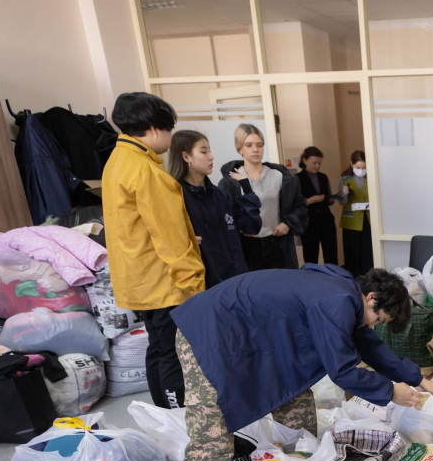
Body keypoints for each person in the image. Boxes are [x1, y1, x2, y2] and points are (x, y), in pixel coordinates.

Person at [171, 266, 433, 461]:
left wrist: (420, 380)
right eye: (376, 319)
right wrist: (392, 392)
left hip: (256, 340)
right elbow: (341, 369)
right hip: (207, 336)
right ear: (371, 297)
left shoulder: (348, 298)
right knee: (212, 445)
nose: (371, 327)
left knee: (298, 413)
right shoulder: (336, 300)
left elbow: (371, 347)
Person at [102, 92, 204, 409]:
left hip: (141, 278)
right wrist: (193, 284)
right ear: (152, 127)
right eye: (169, 129)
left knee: (158, 347)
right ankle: (178, 416)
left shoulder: (118, 161)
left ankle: (164, 412)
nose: (170, 138)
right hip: (165, 282)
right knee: (174, 352)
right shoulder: (147, 171)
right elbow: (168, 236)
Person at [168, 130, 259, 287]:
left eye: (210, 150)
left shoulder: (219, 194)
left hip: (236, 279)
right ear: (186, 156)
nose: (211, 156)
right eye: (204, 151)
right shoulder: (175, 197)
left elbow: (250, 227)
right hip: (204, 286)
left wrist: (247, 190)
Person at [219, 123, 307, 271]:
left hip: (277, 244)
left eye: (259, 145)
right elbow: (225, 217)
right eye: (249, 145)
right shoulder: (230, 182)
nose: (255, 149)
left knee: (283, 287)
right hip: (247, 248)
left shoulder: (280, 176)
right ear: (239, 148)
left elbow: (300, 205)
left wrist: (288, 223)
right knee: (253, 290)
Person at [296, 146, 339, 266]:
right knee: (311, 256)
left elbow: (329, 201)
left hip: (326, 220)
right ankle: (312, 281)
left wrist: (334, 197)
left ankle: (333, 279)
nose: (317, 166)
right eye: (314, 163)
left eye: (319, 163)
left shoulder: (323, 177)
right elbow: (296, 203)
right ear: (304, 160)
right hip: (308, 222)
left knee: (331, 254)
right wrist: (312, 200)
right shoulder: (297, 178)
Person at [336, 150, 373, 276]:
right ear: (352, 164)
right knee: (353, 253)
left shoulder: (371, 178)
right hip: (351, 221)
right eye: (358, 167)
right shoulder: (344, 179)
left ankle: (368, 278)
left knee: (368, 252)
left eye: (364, 167)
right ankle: (353, 278)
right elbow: (341, 202)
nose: (361, 170)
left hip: (368, 219)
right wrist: (344, 194)